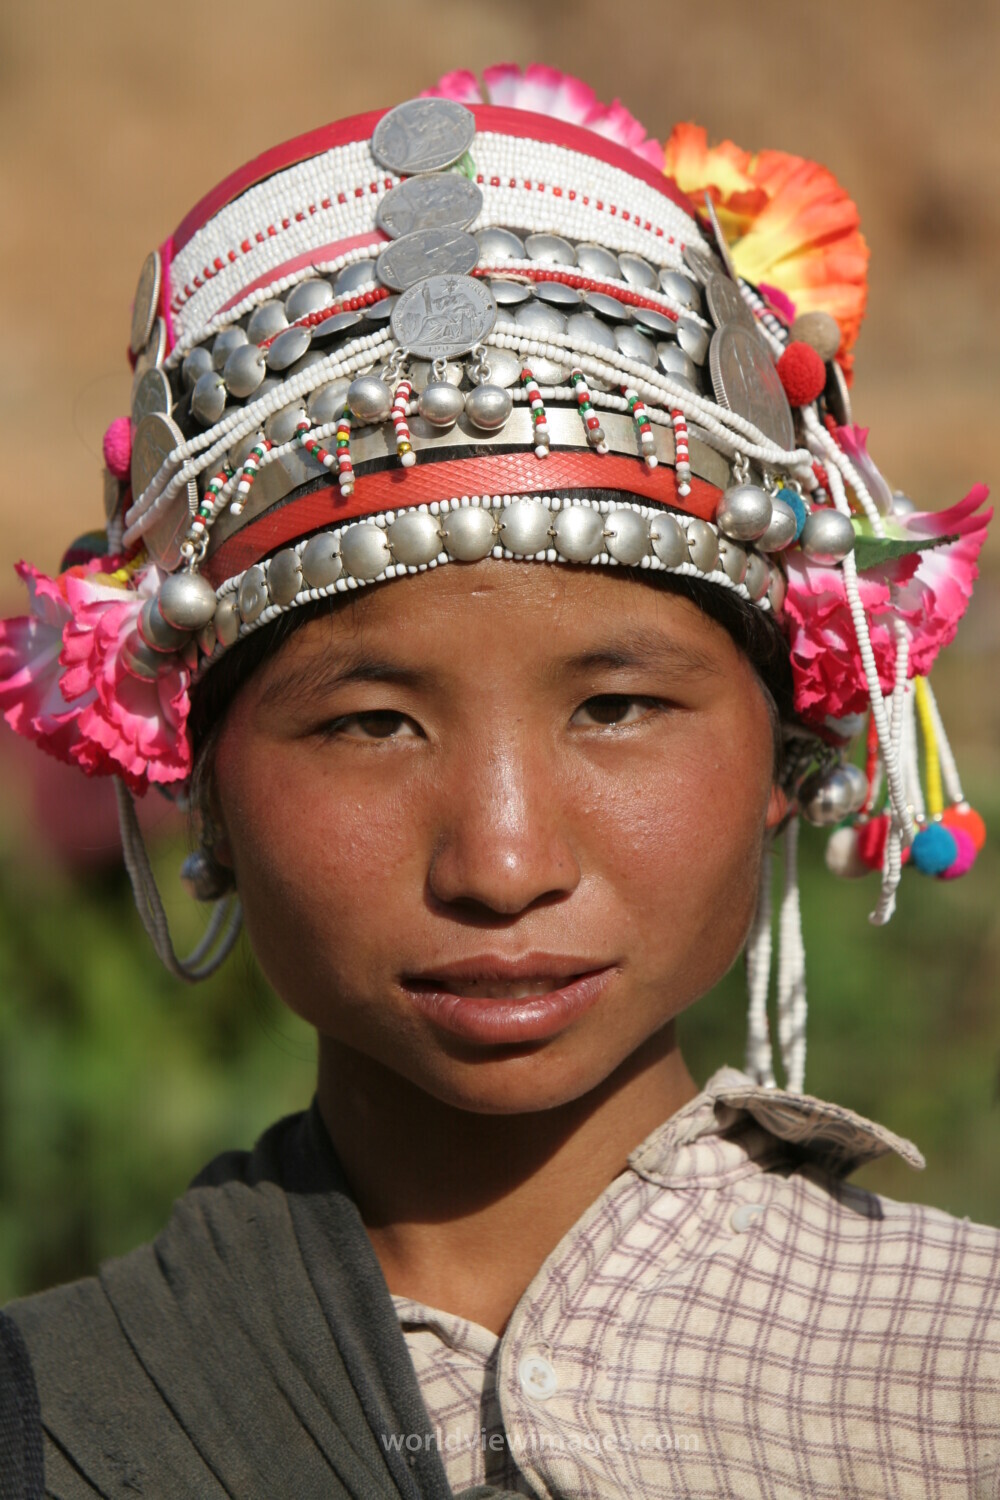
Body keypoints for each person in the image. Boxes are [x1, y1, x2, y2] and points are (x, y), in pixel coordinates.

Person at [0, 62, 996, 1500]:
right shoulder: (64, 1423)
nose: (503, 859)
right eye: (370, 727)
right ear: (200, 783)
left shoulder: (964, 1384)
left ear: (792, 742)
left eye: (615, 707)